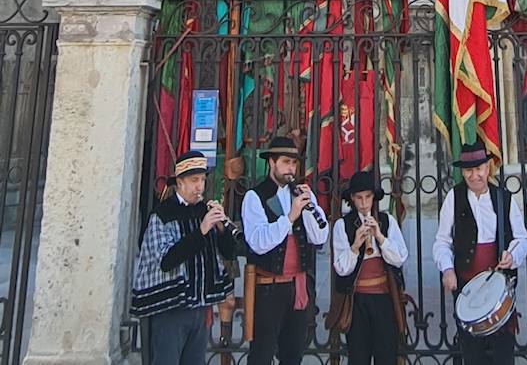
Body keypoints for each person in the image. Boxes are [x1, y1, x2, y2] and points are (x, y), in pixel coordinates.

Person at [131, 149, 236, 365]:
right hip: (171, 308)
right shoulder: (163, 214)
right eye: (194, 180)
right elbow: (167, 260)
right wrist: (202, 229)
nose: (200, 186)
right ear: (179, 182)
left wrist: (222, 230)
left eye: (203, 180)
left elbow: (227, 253)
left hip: (199, 307)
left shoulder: (203, 211)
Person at [433, 140, 527, 365]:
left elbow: (522, 239)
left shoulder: (503, 198)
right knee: (472, 353)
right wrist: (447, 270)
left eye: (478, 169)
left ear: (488, 169)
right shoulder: (453, 198)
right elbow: (442, 241)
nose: (474, 175)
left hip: (499, 289)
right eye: (468, 170)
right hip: (468, 288)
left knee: (503, 353)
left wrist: (511, 256)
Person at [241, 134, 329, 365]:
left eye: (293, 163)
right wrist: (290, 217)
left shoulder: (300, 195)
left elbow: (320, 236)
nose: (290, 169)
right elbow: (258, 241)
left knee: (293, 355)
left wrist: (310, 209)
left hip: (297, 287)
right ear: (271, 162)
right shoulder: (255, 196)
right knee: (262, 354)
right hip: (269, 290)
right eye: (285, 162)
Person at [329, 169, 409, 365]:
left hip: (383, 298)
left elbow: (400, 258)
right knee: (358, 356)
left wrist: (380, 237)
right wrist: (356, 245)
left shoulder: (387, 220)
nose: (364, 203)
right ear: (352, 199)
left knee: (386, 354)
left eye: (368, 197)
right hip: (356, 300)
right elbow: (341, 269)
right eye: (359, 198)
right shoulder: (342, 225)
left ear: (374, 197)